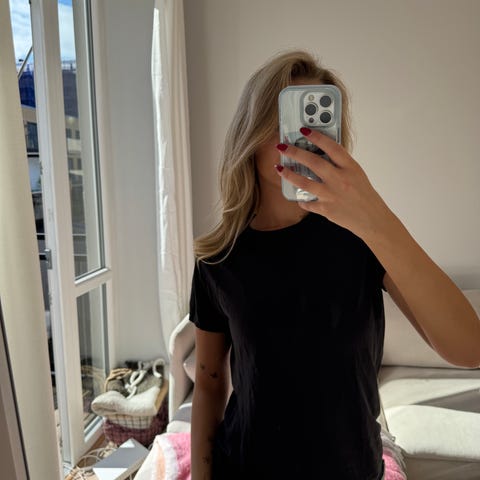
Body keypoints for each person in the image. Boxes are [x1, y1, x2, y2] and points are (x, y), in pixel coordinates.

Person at [188, 49, 480, 480]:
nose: (300, 137)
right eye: (286, 118)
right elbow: (210, 380)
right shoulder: (220, 256)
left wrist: (375, 215)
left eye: (316, 123)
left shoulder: (360, 236)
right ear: (251, 130)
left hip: (351, 469)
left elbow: (469, 349)